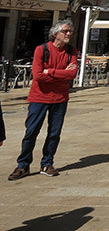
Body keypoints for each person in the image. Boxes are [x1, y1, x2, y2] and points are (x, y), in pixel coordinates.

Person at [8, 20, 78, 180]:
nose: (69, 34)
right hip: (39, 98)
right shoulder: (42, 50)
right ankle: (23, 165)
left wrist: (50, 71)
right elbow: (38, 75)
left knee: (54, 133)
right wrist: (60, 73)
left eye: (70, 32)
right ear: (55, 34)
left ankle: (47, 163)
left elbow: (72, 74)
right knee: (31, 132)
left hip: (60, 98)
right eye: (66, 31)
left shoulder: (72, 52)